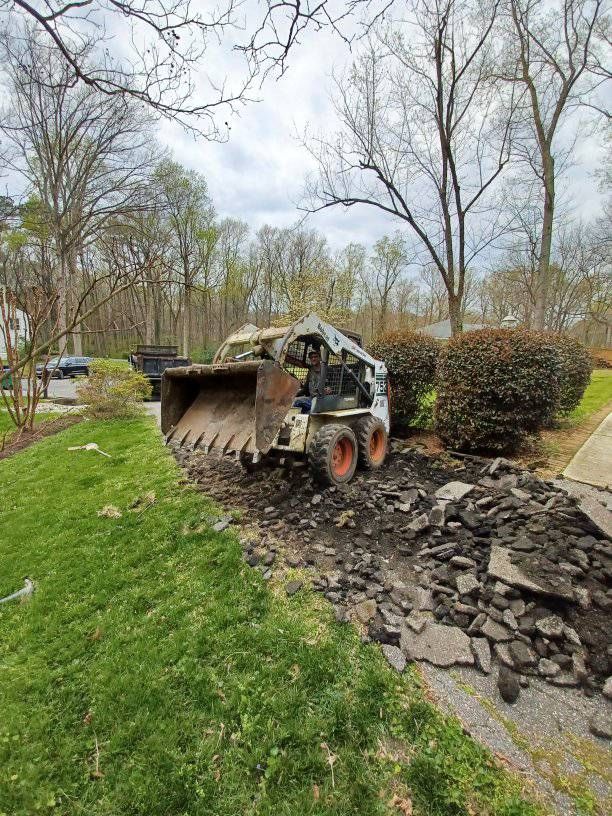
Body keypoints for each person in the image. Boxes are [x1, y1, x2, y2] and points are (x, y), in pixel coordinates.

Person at [293, 349, 330, 413]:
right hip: (312, 398)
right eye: (311, 357)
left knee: (298, 401)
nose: (313, 359)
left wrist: (330, 389)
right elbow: (305, 388)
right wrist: (294, 395)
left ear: (320, 358)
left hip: (322, 399)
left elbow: (335, 383)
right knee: (295, 402)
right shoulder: (311, 371)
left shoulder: (327, 370)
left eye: (315, 357)